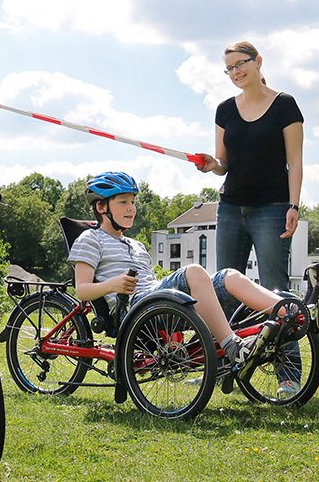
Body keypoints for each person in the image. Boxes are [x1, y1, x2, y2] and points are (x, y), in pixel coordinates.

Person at [68, 172, 288, 371]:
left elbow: (153, 285)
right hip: (134, 310)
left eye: (133, 202)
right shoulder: (90, 239)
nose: (131, 208)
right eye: (123, 202)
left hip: (156, 302)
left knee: (229, 276)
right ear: (101, 207)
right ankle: (233, 348)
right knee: (194, 271)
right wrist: (113, 285)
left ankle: (290, 313)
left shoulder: (137, 245)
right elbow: (82, 290)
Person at [197, 41, 304, 301]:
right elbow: (223, 164)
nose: (235, 72)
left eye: (239, 64)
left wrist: (293, 206)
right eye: (229, 68)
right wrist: (213, 164)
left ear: (257, 61)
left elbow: (295, 163)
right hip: (230, 210)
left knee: (274, 290)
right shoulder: (225, 110)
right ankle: (231, 343)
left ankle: (286, 344)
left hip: (272, 209)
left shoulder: (285, 105)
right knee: (225, 287)